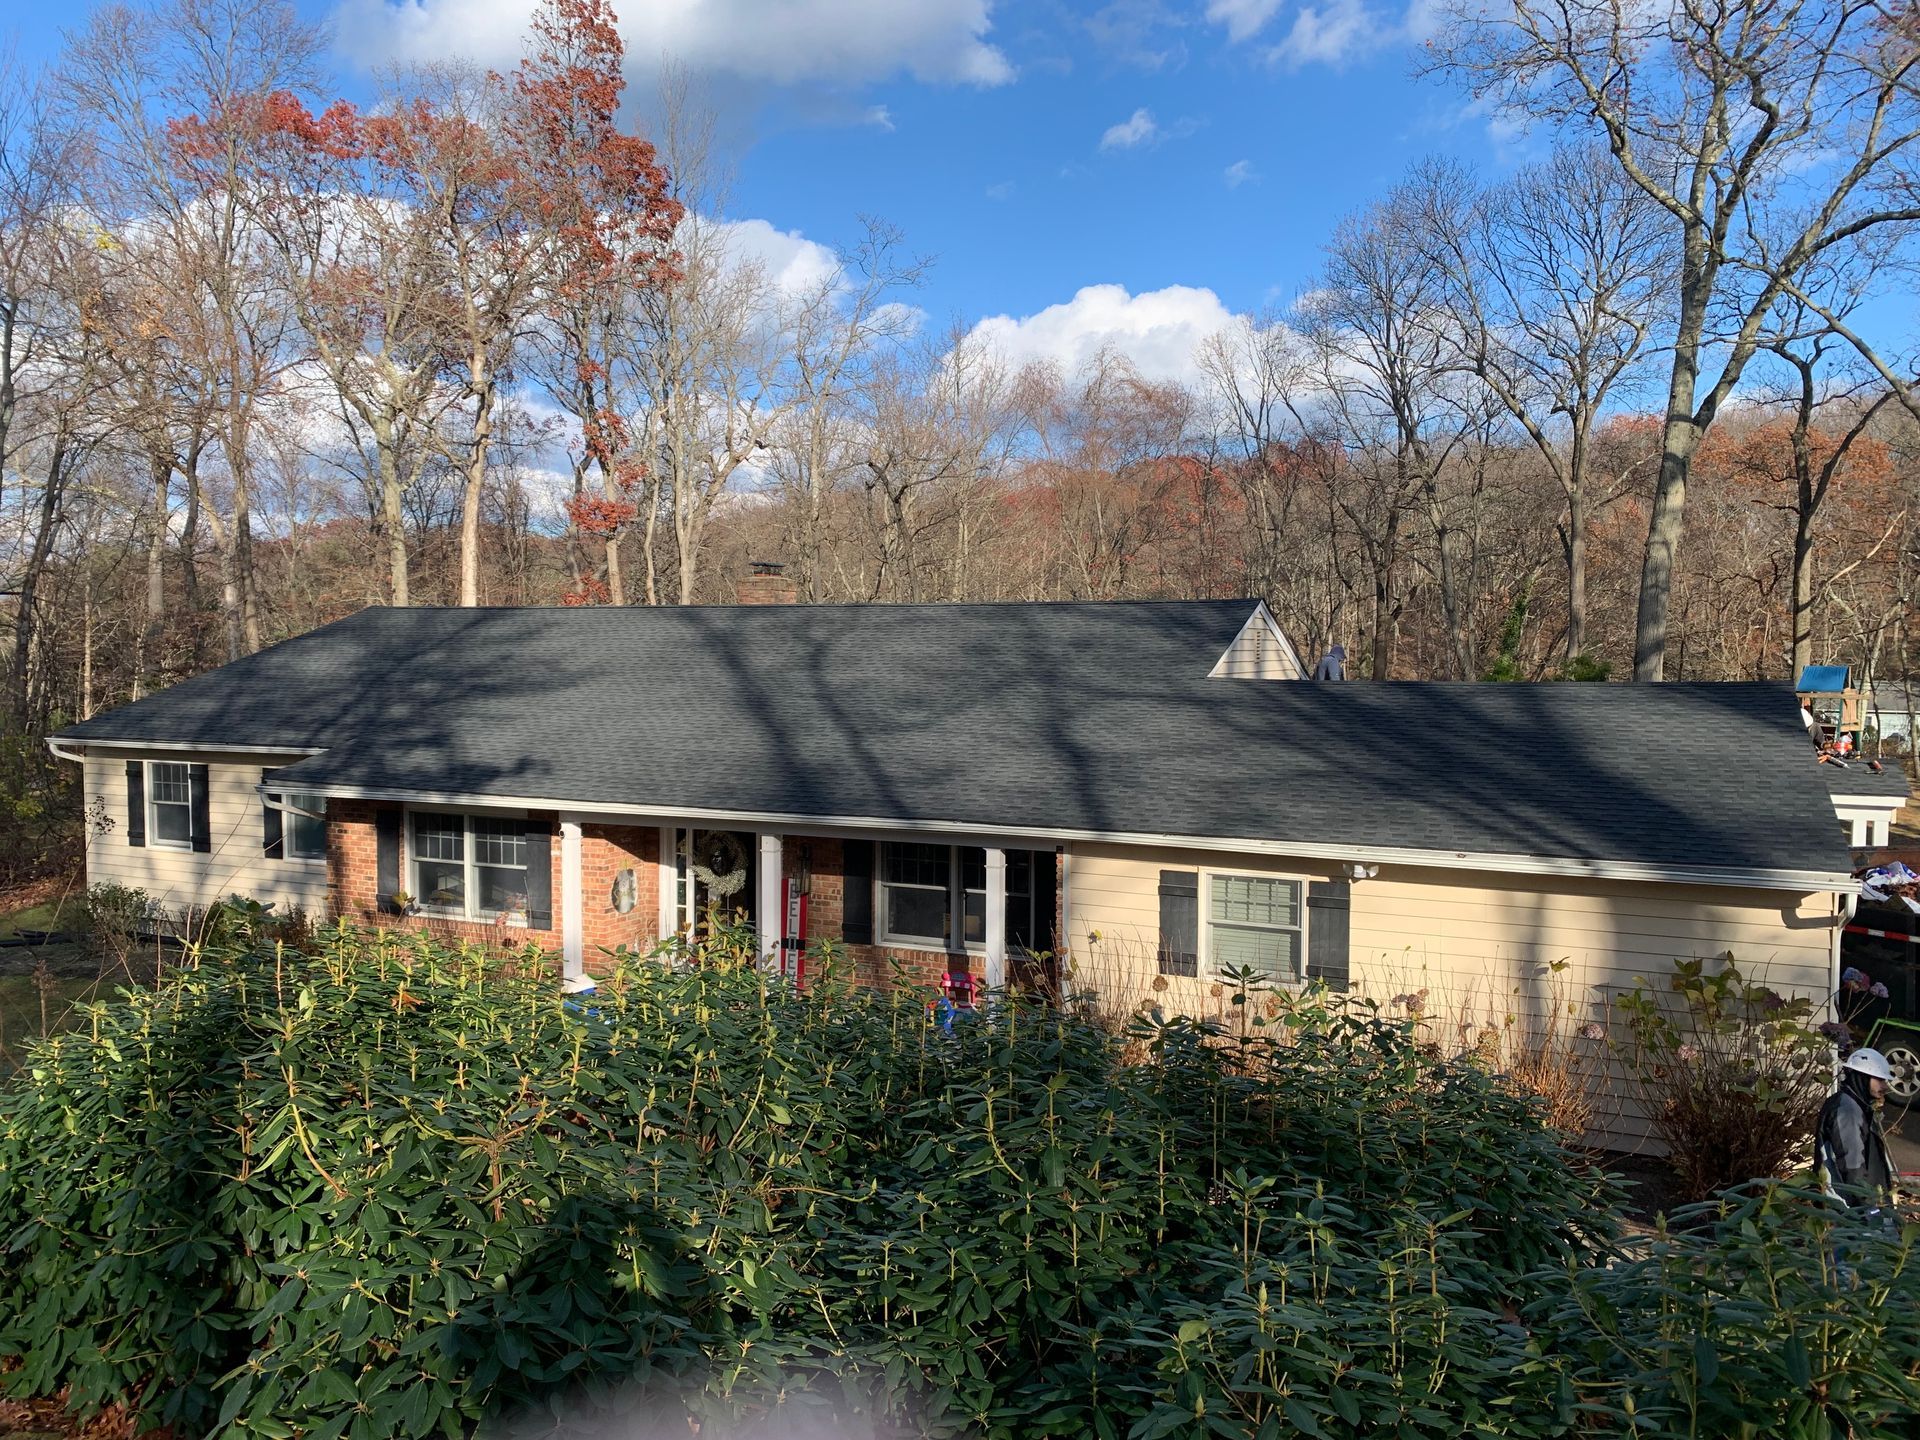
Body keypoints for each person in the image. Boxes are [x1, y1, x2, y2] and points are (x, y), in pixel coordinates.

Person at [1817, 1047, 1895, 1213]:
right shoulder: (1848, 1111)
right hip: (1850, 1210)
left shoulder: (1856, 1105)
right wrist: (1869, 1207)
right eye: (1880, 1079)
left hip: (1858, 1203)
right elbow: (1852, 1167)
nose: (1885, 1086)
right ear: (1862, 1077)